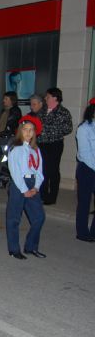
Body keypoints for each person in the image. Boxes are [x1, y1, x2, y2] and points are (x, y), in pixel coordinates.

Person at [6, 115, 46, 260]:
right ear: (20, 131)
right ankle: (14, 249)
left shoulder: (35, 150)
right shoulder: (15, 149)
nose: (28, 133)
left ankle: (31, 246)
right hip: (19, 184)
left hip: (32, 183)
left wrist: (36, 187)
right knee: (14, 218)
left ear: (35, 133)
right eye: (25, 130)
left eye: (31, 130)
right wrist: (24, 190)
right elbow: (15, 172)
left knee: (39, 217)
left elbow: (39, 171)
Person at [38, 87, 73, 205]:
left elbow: (68, 129)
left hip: (54, 144)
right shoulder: (42, 110)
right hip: (41, 143)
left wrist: (50, 129)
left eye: (47, 96)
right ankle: (42, 194)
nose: (45, 98)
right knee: (42, 170)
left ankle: (51, 197)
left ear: (55, 98)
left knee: (52, 170)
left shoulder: (63, 112)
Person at [75, 99, 95, 242]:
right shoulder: (84, 128)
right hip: (87, 169)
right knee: (84, 203)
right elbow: (85, 153)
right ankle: (82, 233)